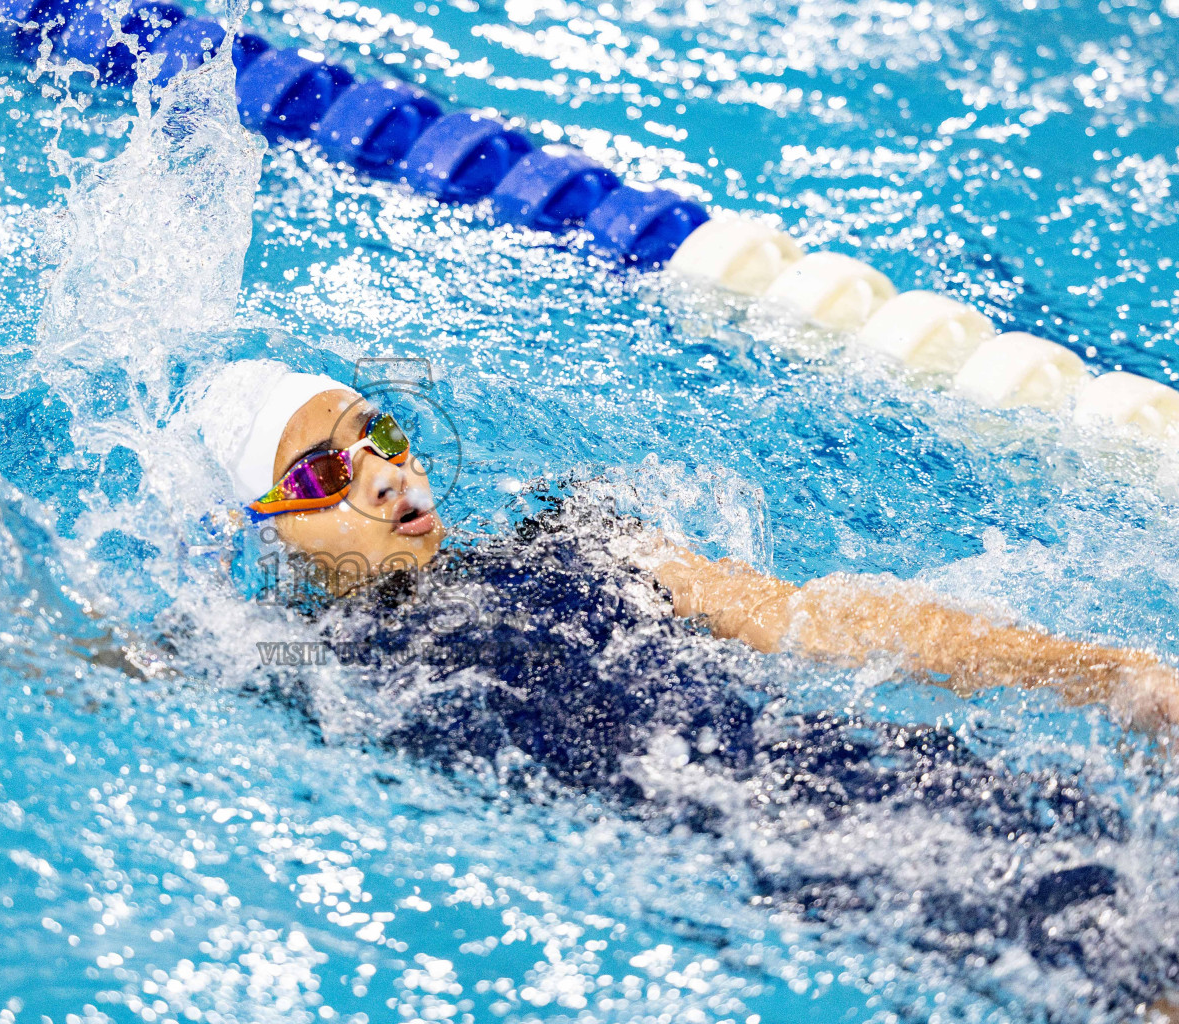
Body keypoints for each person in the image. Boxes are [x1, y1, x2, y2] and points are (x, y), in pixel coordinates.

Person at [188, 358, 1179, 1020]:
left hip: (851, 766)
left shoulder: (582, 541)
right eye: (324, 475)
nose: (384, 479)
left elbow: (819, 618)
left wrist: (1093, 670)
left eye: (383, 437)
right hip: (778, 863)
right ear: (264, 523)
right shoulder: (302, 663)